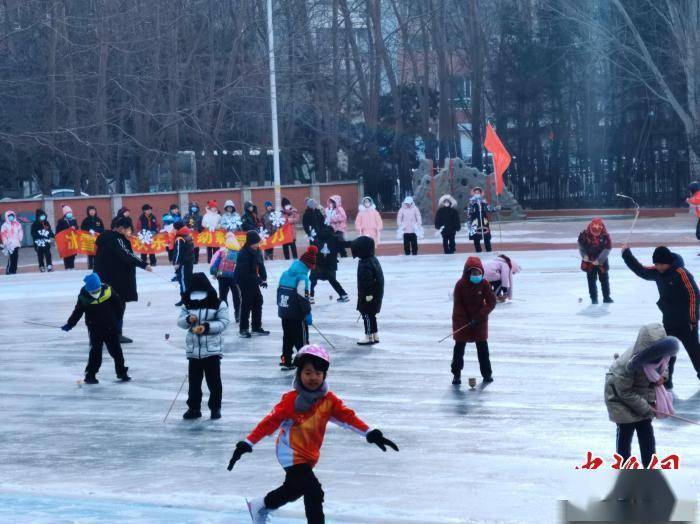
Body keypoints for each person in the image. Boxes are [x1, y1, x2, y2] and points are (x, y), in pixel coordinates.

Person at [226, 345, 398, 524]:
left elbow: (348, 418)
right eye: (308, 373)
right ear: (299, 374)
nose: (313, 377)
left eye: (318, 373)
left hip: (310, 454)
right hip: (290, 453)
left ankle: (260, 505)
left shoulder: (328, 401)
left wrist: (370, 433)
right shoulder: (290, 401)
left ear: (324, 375)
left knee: (295, 489)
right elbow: (270, 422)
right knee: (314, 490)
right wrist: (248, 443)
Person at [621, 244, 700, 388]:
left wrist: (693, 319)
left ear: (668, 262)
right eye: (656, 264)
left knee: (695, 352)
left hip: (687, 323)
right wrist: (627, 254)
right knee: (668, 353)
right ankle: (666, 380)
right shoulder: (658, 272)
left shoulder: (681, 273)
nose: (657, 267)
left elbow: (695, 295)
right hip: (669, 321)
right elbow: (641, 271)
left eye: (660, 264)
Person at [604, 324, 678, 468]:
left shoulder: (659, 356)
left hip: (640, 392)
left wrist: (662, 376)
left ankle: (649, 464)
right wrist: (646, 407)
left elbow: (664, 367)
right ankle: (624, 465)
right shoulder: (626, 365)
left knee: (645, 429)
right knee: (626, 429)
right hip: (620, 398)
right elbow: (624, 392)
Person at [177, 272, 230, 420]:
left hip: (212, 350)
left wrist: (206, 327)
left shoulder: (218, 303)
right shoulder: (187, 303)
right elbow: (180, 321)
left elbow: (224, 322)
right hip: (194, 351)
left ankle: (215, 408)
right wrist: (188, 319)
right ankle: (194, 408)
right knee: (194, 382)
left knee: (214, 382)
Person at [61, 273, 131, 384]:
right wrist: (70, 324)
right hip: (94, 329)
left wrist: (117, 320)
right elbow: (77, 312)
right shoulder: (84, 297)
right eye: (93, 292)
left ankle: (122, 372)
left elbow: (119, 306)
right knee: (95, 352)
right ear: (88, 290)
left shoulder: (108, 291)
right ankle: (90, 375)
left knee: (117, 351)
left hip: (110, 327)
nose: (96, 293)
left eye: (97, 290)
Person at [94, 216, 152, 344]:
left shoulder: (104, 238)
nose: (130, 232)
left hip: (104, 279)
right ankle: (115, 334)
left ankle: (103, 333)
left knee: (106, 306)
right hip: (116, 281)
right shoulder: (117, 239)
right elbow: (127, 255)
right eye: (129, 229)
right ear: (121, 229)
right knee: (117, 307)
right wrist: (144, 264)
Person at [451, 257, 497, 385]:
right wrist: (466, 321)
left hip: (479, 321)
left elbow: (491, 302)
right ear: (468, 273)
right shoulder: (460, 285)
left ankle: (487, 374)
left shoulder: (484, 284)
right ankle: (456, 375)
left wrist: (479, 317)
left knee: (483, 349)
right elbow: (458, 306)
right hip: (462, 322)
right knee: (459, 350)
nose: (476, 276)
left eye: (478, 273)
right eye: (474, 273)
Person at [277, 246, 317, 369]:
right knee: (302, 340)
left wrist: (281, 307)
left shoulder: (285, 274)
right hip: (297, 315)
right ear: (309, 266)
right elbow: (303, 297)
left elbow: (279, 292)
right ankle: (306, 364)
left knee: (287, 338)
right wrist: (307, 313)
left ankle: (286, 360)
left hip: (284, 312)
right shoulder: (302, 278)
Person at [233, 230, 270, 338]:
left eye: (258, 242)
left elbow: (261, 265)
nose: (258, 244)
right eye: (256, 243)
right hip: (243, 280)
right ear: (250, 242)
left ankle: (256, 327)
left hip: (253, 278)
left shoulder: (258, 251)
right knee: (247, 303)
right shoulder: (243, 253)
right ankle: (243, 329)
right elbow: (244, 273)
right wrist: (259, 280)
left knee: (258, 300)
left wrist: (264, 279)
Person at [351, 236, 384, 345]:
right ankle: (375, 335)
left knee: (367, 314)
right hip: (375, 293)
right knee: (371, 315)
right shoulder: (372, 259)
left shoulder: (365, 263)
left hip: (368, 295)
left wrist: (368, 295)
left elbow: (367, 281)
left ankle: (369, 335)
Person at [310, 224, 349, 303]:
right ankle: (343, 295)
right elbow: (344, 245)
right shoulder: (335, 238)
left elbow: (312, 252)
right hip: (331, 265)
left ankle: (310, 297)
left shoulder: (316, 239)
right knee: (333, 281)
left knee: (311, 281)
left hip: (318, 265)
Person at [578, 218, 613, 304]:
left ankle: (606, 297)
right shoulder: (583, 235)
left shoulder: (606, 236)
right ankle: (594, 299)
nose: (596, 235)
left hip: (602, 261)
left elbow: (607, 249)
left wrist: (599, 260)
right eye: (594, 232)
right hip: (589, 261)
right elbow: (581, 247)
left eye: (598, 233)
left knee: (604, 279)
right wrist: (584, 256)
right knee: (591, 280)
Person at [210, 233, 241, 323]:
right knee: (236, 296)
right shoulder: (239, 253)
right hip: (235, 277)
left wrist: (214, 273)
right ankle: (238, 314)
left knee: (223, 297)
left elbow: (215, 265)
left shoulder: (222, 252)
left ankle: (224, 315)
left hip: (222, 276)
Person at [173, 220, 195, 307]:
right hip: (189, 261)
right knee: (187, 280)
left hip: (183, 263)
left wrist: (177, 262)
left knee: (183, 281)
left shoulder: (179, 238)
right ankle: (185, 298)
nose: (173, 230)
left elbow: (179, 252)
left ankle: (186, 299)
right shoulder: (188, 235)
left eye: (174, 229)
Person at [467, 187, 493, 253]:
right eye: (475, 192)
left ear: (481, 193)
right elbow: (469, 212)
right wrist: (469, 222)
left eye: (478, 192)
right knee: (476, 236)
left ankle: (488, 249)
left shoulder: (484, 202)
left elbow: (489, 209)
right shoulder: (471, 202)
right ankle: (478, 250)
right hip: (475, 220)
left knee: (486, 235)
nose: (477, 194)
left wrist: (496, 209)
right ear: (473, 193)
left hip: (483, 220)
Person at [81, 206, 104, 270]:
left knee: (97, 253)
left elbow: (102, 229)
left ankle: (97, 266)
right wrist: (89, 230)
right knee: (90, 254)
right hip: (89, 240)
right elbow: (82, 229)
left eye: (93, 210)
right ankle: (90, 267)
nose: (92, 212)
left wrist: (96, 231)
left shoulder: (98, 220)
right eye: (90, 211)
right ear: (88, 212)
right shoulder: (85, 220)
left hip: (97, 240)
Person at [55, 205, 79, 270]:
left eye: (70, 212)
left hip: (72, 239)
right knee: (66, 254)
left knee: (72, 253)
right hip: (65, 240)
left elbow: (77, 227)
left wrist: (75, 227)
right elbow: (58, 230)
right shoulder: (61, 221)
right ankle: (67, 267)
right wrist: (67, 229)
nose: (70, 214)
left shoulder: (73, 220)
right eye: (68, 213)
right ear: (65, 214)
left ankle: (72, 266)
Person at [1, 209, 23, 274]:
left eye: (12, 216)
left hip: (16, 243)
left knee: (15, 257)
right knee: (11, 257)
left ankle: (14, 270)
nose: (11, 217)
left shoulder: (18, 224)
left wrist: (20, 238)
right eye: (9, 216)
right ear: (6, 217)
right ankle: (9, 270)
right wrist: (5, 242)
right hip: (9, 244)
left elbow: (20, 231)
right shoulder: (4, 225)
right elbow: (3, 234)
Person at [686, 181, 700, 249]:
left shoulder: (698, 195)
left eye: (691, 190)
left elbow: (696, 201)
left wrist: (688, 200)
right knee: (699, 234)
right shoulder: (696, 195)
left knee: (699, 234)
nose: (690, 192)